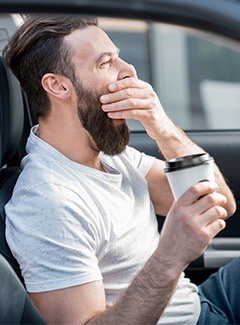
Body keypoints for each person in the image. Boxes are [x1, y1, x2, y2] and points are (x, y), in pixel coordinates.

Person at [3, 15, 238, 324]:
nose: (129, 71)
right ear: (58, 85)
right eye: (106, 63)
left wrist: (163, 128)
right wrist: (170, 257)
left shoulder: (111, 154)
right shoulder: (47, 202)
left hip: (201, 301)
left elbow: (219, 202)